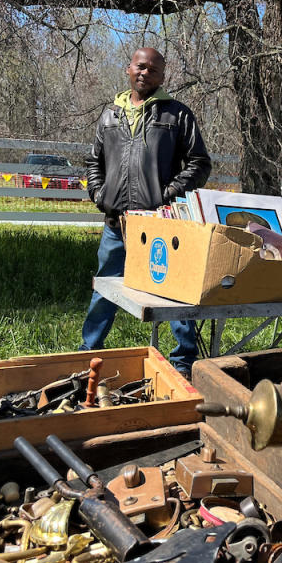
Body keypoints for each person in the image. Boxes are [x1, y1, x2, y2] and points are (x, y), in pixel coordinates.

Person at [80, 47, 212, 375]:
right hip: (116, 224)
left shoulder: (177, 115)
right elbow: (93, 161)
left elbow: (199, 163)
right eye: (140, 67)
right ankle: (87, 353)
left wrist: (165, 197)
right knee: (105, 288)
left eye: (153, 70)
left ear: (162, 77)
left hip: (160, 225)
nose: (145, 73)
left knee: (173, 291)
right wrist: (100, 194)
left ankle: (183, 362)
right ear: (129, 69)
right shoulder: (110, 115)